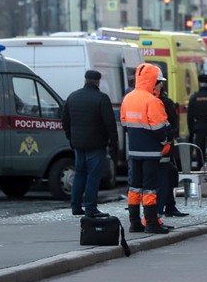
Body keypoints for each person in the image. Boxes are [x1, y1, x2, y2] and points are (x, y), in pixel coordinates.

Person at [121, 63, 171, 234]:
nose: (161, 85)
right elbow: (159, 128)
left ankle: (134, 223)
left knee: (134, 187)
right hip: (151, 151)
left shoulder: (128, 98)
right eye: (159, 81)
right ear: (152, 81)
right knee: (150, 188)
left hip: (134, 150)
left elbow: (124, 122)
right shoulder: (152, 100)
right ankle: (151, 222)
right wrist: (165, 141)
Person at [62, 70, 118, 217]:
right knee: (93, 175)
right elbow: (110, 124)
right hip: (96, 144)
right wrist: (113, 142)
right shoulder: (101, 98)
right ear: (98, 81)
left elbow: (65, 121)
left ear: (85, 80)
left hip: (78, 144)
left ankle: (75, 205)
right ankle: (90, 207)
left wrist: (71, 138)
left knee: (79, 174)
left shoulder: (72, 97)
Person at [156, 76, 189, 219]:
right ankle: (165, 206)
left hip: (155, 145)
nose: (162, 85)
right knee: (166, 176)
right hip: (165, 145)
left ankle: (164, 206)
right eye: (160, 82)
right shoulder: (164, 102)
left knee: (162, 176)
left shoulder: (157, 101)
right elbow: (173, 123)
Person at [188, 74, 207, 167]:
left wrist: (191, 130)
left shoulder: (194, 97)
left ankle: (200, 167)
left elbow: (189, 116)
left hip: (199, 127)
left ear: (199, 83)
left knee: (199, 149)